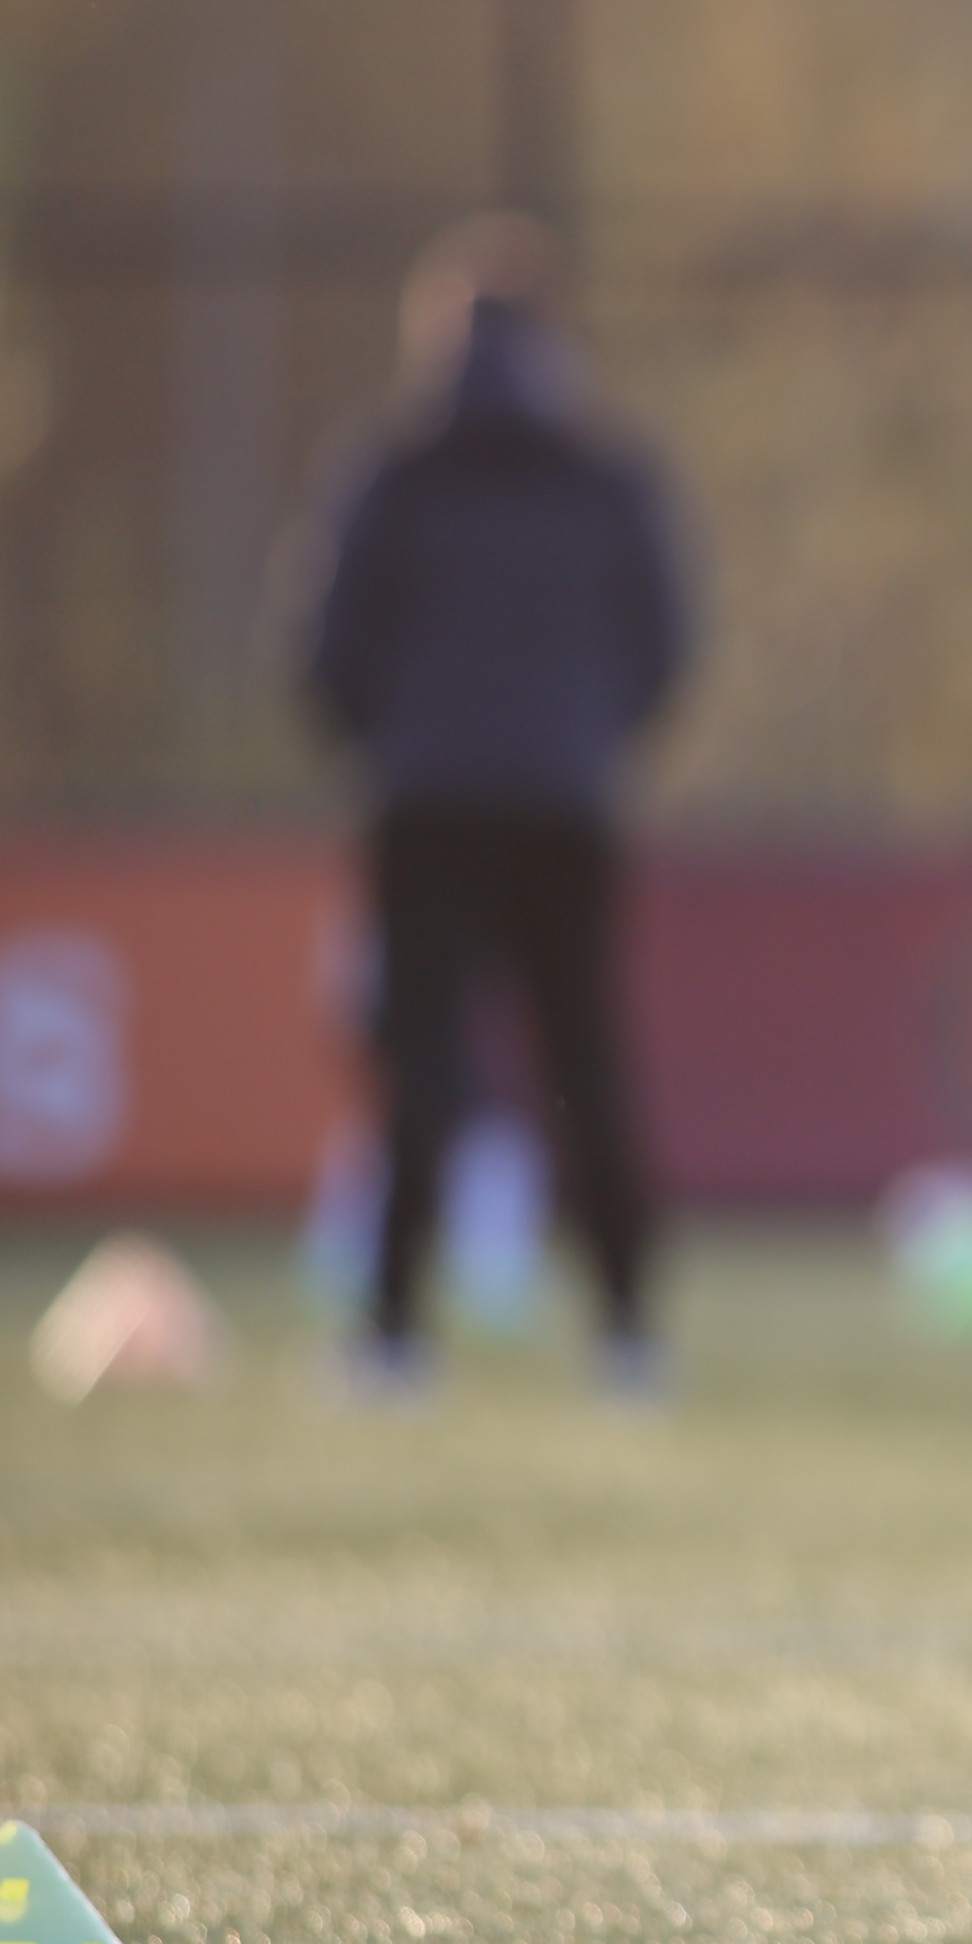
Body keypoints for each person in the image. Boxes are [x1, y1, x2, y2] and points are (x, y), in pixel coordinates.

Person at [304, 213, 691, 1407]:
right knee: (583, 1058)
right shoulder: (608, 471)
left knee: (420, 1062)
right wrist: (589, 738)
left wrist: (393, 740)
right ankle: (627, 1332)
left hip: (426, 801)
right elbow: (666, 640)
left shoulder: (393, 468)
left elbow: (324, 646)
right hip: (566, 802)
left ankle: (392, 1336)